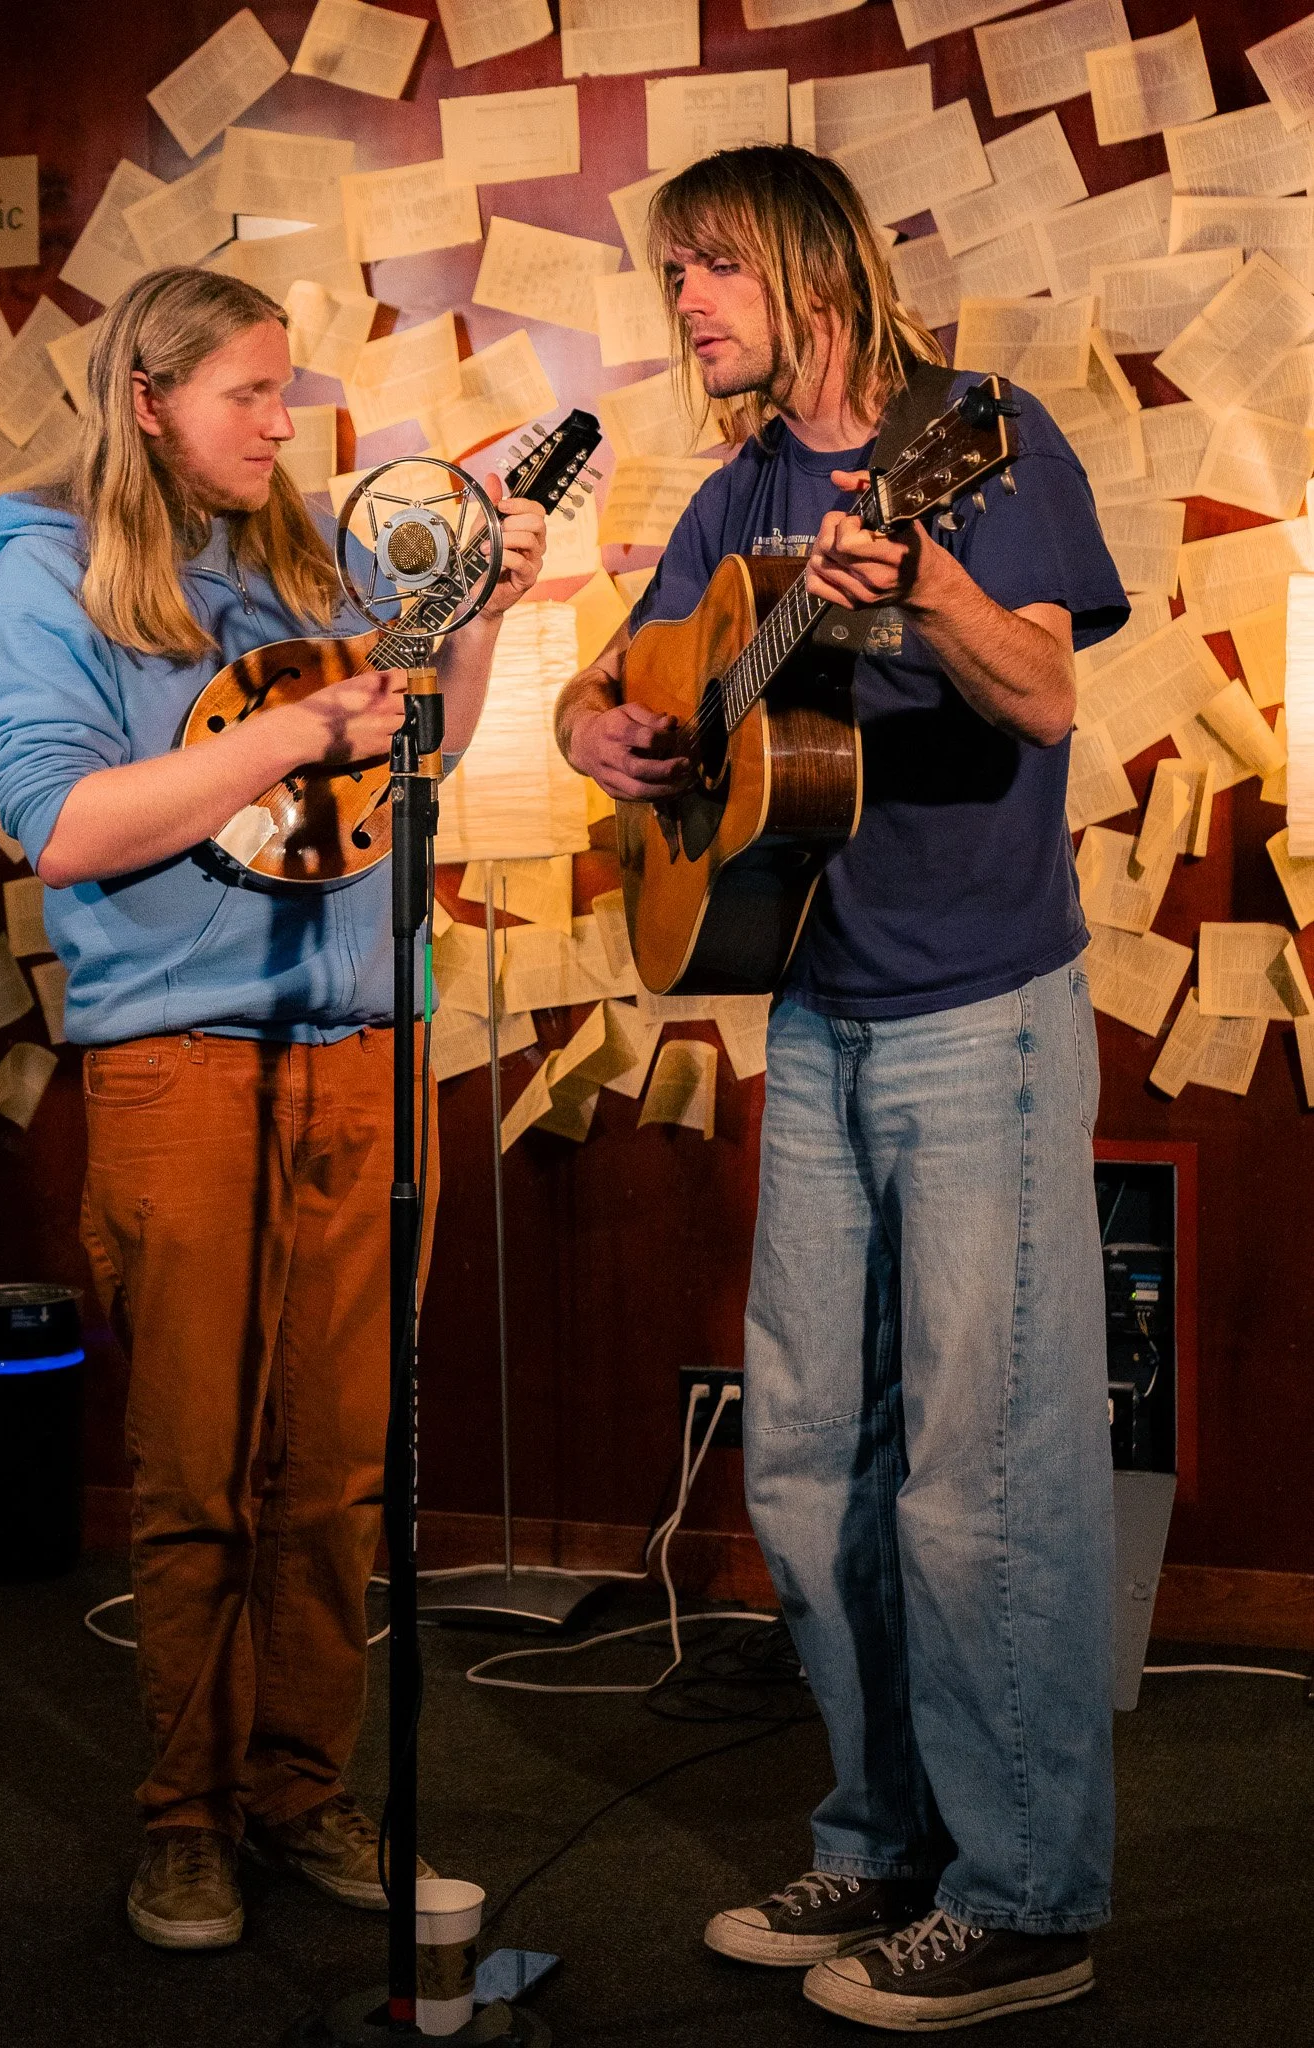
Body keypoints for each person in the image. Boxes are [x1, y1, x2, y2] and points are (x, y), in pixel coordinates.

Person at [554, 147, 1127, 2033]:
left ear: (808, 269)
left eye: (712, 269)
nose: (690, 307)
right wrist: (607, 728)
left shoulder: (977, 432)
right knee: (810, 1472)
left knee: (979, 1485)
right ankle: (879, 1839)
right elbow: (623, 685)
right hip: (812, 1011)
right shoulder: (736, 494)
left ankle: (1027, 1894)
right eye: (676, 277)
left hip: (979, 1014)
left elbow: (1041, 698)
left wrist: (934, 587)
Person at [0, 266, 545, 1950]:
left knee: (334, 1471)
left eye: (285, 391)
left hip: (362, 1045)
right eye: (244, 394)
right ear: (146, 399)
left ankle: (301, 1793)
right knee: (198, 1471)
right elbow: (65, 827)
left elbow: (412, 741)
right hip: (179, 1059)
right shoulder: (48, 563)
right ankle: (184, 1821)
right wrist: (294, 723)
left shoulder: (308, 549)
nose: (279, 421)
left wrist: (490, 604)